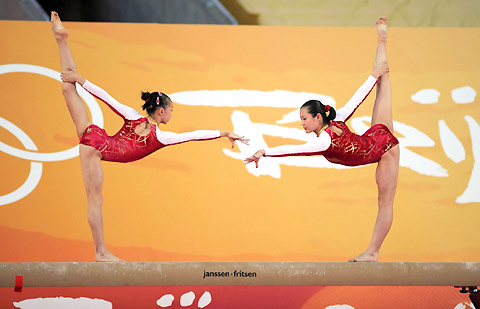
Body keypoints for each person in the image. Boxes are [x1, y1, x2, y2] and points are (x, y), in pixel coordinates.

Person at [51, 11, 248, 262]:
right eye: (172, 110)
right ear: (162, 111)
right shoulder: (161, 137)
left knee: (69, 89)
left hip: (98, 138)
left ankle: (61, 41)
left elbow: (106, 97)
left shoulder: (133, 115)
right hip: (98, 148)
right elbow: (193, 135)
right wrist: (223, 133)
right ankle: (100, 252)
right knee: (95, 200)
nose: (173, 113)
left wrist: (81, 80)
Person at [245, 17, 399, 262]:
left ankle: (372, 252)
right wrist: (373, 75)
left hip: (385, 150)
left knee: (385, 203)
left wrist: (265, 152)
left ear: (318, 117)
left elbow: (294, 150)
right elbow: (356, 99)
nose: (302, 123)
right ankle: (382, 40)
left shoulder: (324, 141)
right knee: (384, 82)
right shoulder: (336, 121)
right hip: (375, 138)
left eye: (305, 118)